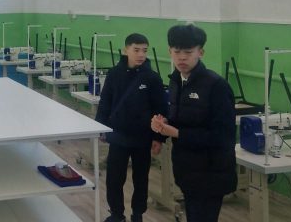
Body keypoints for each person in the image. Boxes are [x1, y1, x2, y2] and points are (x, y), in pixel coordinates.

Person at [151, 24, 237, 222]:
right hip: (187, 170)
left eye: (188, 52)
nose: (182, 57)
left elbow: (223, 137)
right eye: (177, 52)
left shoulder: (216, 85)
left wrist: (177, 133)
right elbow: (182, 118)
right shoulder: (176, 81)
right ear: (170, 52)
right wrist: (163, 125)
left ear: (201, 52)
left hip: (212, 172)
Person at [95, 33, 166, 222]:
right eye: (136, 50)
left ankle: (138, 214)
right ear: (125, 50)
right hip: (118, 136)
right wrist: (100, 127)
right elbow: (105, 102)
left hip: (143, 138)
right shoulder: (114, 74)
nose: (141, 54)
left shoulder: (152, 78)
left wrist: (159, 138)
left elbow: (160, 109)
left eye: (144, 50)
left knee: (141, 179)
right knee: (114, 178)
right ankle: (116, 214)